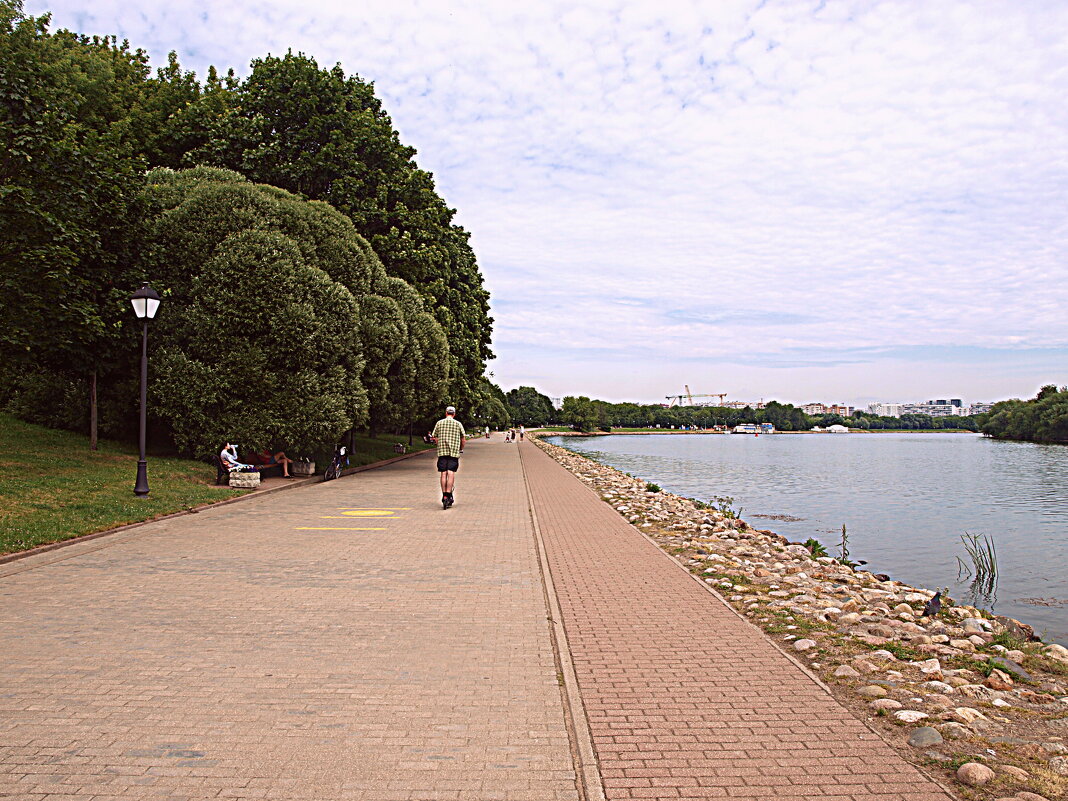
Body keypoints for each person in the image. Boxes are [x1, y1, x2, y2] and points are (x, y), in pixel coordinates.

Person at [430, 405, 466, 509]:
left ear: (446, 413)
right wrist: (461, 448)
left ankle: (444, 495)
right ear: (454, 414)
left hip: (442, 452)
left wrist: (439, 443)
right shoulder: (458, 424)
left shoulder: (439, 423)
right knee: (451, 473)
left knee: (443, 473)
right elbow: (463, 439)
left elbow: (434, 436)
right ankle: (449, 494)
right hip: (454, 452)